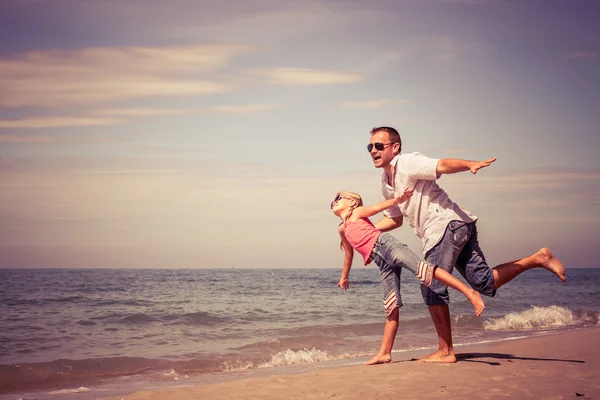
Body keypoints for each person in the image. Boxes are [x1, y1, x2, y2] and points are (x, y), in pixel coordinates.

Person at [367, 126, 567, 363]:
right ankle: (538, 259)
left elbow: (440, 165)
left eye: (379, 146)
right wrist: (361, 229)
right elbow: (395, 219)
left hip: (444, 227)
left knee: (431, 284)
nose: (373, 151)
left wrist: (469, 164)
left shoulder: (406, 163)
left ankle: (445, 351)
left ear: (395, 147)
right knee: (484, 282)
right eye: (370, 147)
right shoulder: (385, 181)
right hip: (459, 225)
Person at [330, 189, 485, 365]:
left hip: (388, 247)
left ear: (352, 202)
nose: (334, 201)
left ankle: (470, 293)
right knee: (391, 304)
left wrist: (398, 199)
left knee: (425, 270)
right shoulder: (342, 229)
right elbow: (348, 255)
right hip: (382, 262)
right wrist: (344, 277)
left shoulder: (357, 213)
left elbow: (377, 207)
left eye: (338, 198)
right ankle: (385, 353)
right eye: (333, 200)